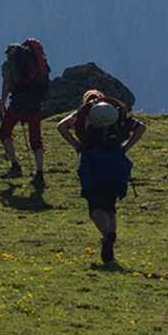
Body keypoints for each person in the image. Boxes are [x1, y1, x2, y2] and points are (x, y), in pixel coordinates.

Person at [57, 89, 146, 265]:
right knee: (110, 206)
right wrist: (125, 148)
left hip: (93, 162)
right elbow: (141, 128)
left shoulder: (82, 114)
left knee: (95, 206)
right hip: (116, 161)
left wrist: (76, 145)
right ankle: (110, 250)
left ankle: (107, 235)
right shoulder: (117, 114)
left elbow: (61, 126)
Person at [0, 39, 50, 185]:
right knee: (36, 139)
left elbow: (6, 85)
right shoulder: (35, 62)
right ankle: (40, 173)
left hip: (18, 104)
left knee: (5, 132)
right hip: (35, 104)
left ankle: (15, 166)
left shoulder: (8, 65)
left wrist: (2, 103)